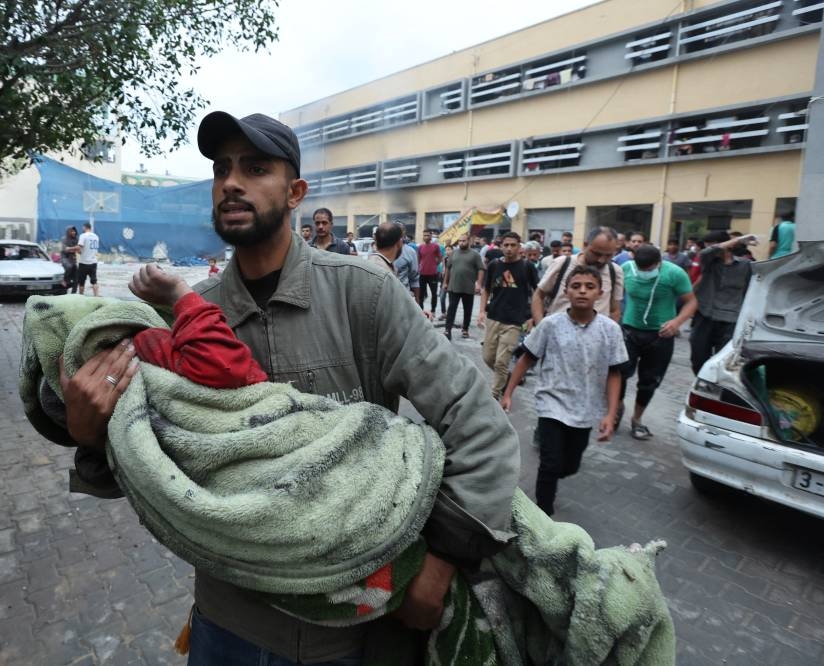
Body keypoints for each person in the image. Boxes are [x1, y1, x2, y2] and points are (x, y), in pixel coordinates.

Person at [59, 110, 519, 665]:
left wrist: (439, 566)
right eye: (222, 168)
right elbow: (154, 469)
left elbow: (481, 430)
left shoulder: (364, 294)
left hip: (353, 633)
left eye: (255, 168)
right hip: (228, 623)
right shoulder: (186, 315)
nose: (232, 181)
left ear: (296, 191)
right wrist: (90, 436)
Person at [500, 265, 627, 516]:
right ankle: (543, 514)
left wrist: (610, 414)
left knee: (570, 465)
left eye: (589, 287)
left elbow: (615, 372)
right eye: (576, 286)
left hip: (586, 408)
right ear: (566, 292)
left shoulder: (610, 330)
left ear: (600, 293)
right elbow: (527, 358)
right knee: (550, 463)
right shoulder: (550, 325)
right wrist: (508, 393)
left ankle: (552, 480)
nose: (582, 291)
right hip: (551, 403)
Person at [619, 244, 697, 439]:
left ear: (658, 263)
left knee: (649, 381)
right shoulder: (626, 269)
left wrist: (677, 322)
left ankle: (637, 420)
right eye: (641, 268)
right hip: (629, 330)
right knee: (618, 374)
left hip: (660, 335)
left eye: (649, 269)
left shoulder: (675, 273)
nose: (644, 272)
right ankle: (616, 408)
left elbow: (692, 301)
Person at [478, 232, 538, 399]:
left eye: (513, 245)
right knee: (488, 357)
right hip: (494, 317)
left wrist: (532, 316)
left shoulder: (527, 267)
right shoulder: (494, 265)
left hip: (514, 322)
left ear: (519, 247)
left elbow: (537, 293)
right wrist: (482, 311)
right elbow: (486, 290)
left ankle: (494, 395)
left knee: (501, 362)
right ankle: (508, 377)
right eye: (506, 245)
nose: (509, 248)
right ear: (501, 246)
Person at [689, 231, 755, 374]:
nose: (713, 250)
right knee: (698, 358)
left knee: (723, 361)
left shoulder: (746, 266)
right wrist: (738, 240)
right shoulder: (708, 262)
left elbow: (750, 291)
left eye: (715, 246)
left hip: (731, 320)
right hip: (705, 316)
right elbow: (706, 253)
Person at [532, 227, 623, 325]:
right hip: (557, 335)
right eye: (596, 254)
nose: (601, 260)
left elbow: (615, 310)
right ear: (585, 245)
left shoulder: (615, 271)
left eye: (608, 255)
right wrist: (541, 327)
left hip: (595, 338)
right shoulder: (562, 264)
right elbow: (538, 296)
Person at [442, 235, 484, 340]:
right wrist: (445, 282)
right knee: (451, 309)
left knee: (468, 310)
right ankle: (447, 330)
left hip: (468, 287)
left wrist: (478, 284)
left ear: (469, 241)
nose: (461, 243)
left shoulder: (475, 255)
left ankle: (465, 329)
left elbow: (481, 269)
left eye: (463, 241)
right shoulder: (453, 253)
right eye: (460, 241)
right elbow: (448, 268)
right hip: (453, 286)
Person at [393, 222, 422, 306]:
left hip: (403, 298)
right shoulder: (381, 250)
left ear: (404, 232)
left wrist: (417, 303)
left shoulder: (410, 252)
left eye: (400, 230)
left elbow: (414, 279)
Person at [417, 229, 443, 313]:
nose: (426, 237)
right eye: (424, 235)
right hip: (422, 274)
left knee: (434, 294)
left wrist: (435, 264)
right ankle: (421, 310)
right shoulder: (420, 247)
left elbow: (440, 257)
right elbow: (418, 259)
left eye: (428, 235)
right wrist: (419, 268)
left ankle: (433, 310)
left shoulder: (436, 246)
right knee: (421, 295)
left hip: (433, 274)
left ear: (431, 236)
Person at [77, 222, 101, 296]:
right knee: (94, 281)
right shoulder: (96, 236)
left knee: (81, 282)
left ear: (85, 227)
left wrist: (79, 252)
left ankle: (81, 297)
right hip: (93, 262)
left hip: (84, 262)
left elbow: (79, 248)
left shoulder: (83, 236)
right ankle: (96, 296)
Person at [61, 226, 80, 293]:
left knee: (77, 274)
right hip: (65, 257)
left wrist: (71, 249)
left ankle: (73, 293)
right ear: (68, 232)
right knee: (69, 266)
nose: (73, 232)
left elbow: (79, 250)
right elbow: (65, 249)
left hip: (73, 258)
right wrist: (74, 248)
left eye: (74, 231)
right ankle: (65, 280)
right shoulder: (64, 239)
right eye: (72, 231)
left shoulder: (76, 239)